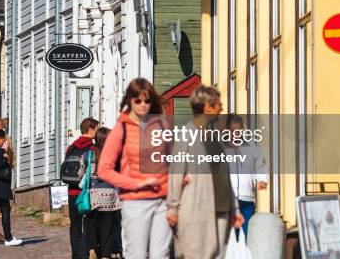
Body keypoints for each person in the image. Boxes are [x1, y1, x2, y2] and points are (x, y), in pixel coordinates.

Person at [97, 78, 172, 259]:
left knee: (161, 254)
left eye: (147, 100)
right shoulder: (120, 130)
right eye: (138, 100)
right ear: (130, 100)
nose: (143, 105)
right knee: (136, 255)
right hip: (136, 201)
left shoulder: (162, 126)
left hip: (163, 200)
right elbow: (104, 169)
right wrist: (135, 183)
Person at [166, 85, 244, 259]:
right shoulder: (187, 135)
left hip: (221, 210)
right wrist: (173, 208)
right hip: (196, 209)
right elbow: (176, 174)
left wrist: (235, 210)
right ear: (206, 106)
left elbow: (225, 176)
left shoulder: (215, 137)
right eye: (217, 104)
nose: (222, 108)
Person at [224, 114, 267, 237]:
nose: (236, 133)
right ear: (228, 130)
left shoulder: (251, 146)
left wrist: (262, 180)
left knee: (246, 234)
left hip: (247, 199)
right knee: (230, 236)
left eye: (239, 130)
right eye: (233, 130)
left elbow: (260, 164)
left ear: (242, 129)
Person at [63, 117, 98, 259]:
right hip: (87, 192)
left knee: (75, 224)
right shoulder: (92, 148)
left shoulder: (71, 147)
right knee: (89, 223)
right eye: (96, 128)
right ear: (90, 129)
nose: (97, 131)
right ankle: (84, 253)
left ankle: (76, 254)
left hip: (72, 190)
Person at [85, 127, 123, 259]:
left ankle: (91, 250)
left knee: (91, 224)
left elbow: (81, 173)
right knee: (107, 228)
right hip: (110, 195)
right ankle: (106, 255)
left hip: (93, 195)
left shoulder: (88, 155)